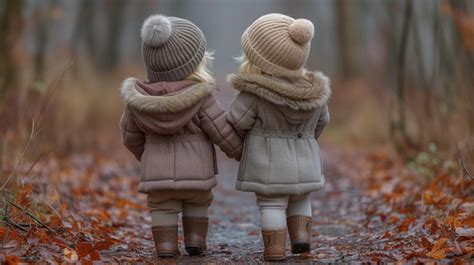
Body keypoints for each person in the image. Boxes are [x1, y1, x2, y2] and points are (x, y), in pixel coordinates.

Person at [119, 14, 241, 258]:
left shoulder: (138, 100)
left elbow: (129, 136)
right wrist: (241, 151)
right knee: (197, 203)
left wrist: (150, 157)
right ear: (195, 63)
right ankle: (195, 241)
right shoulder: (202, 97)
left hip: (157, 176)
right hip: (197, 175)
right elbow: (222, 131)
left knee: (162, 206)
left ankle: (165, 246)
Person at [227, 13, 331, 261]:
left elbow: (236, 121)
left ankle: (274, 249)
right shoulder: (313, 92)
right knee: (300, 198)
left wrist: (248, 143)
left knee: (272, 204)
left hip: (268, 164)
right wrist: (306, 140)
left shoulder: (255, 92)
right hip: (304, 158)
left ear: (260, 58)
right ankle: (302, 241)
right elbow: (323, 121)